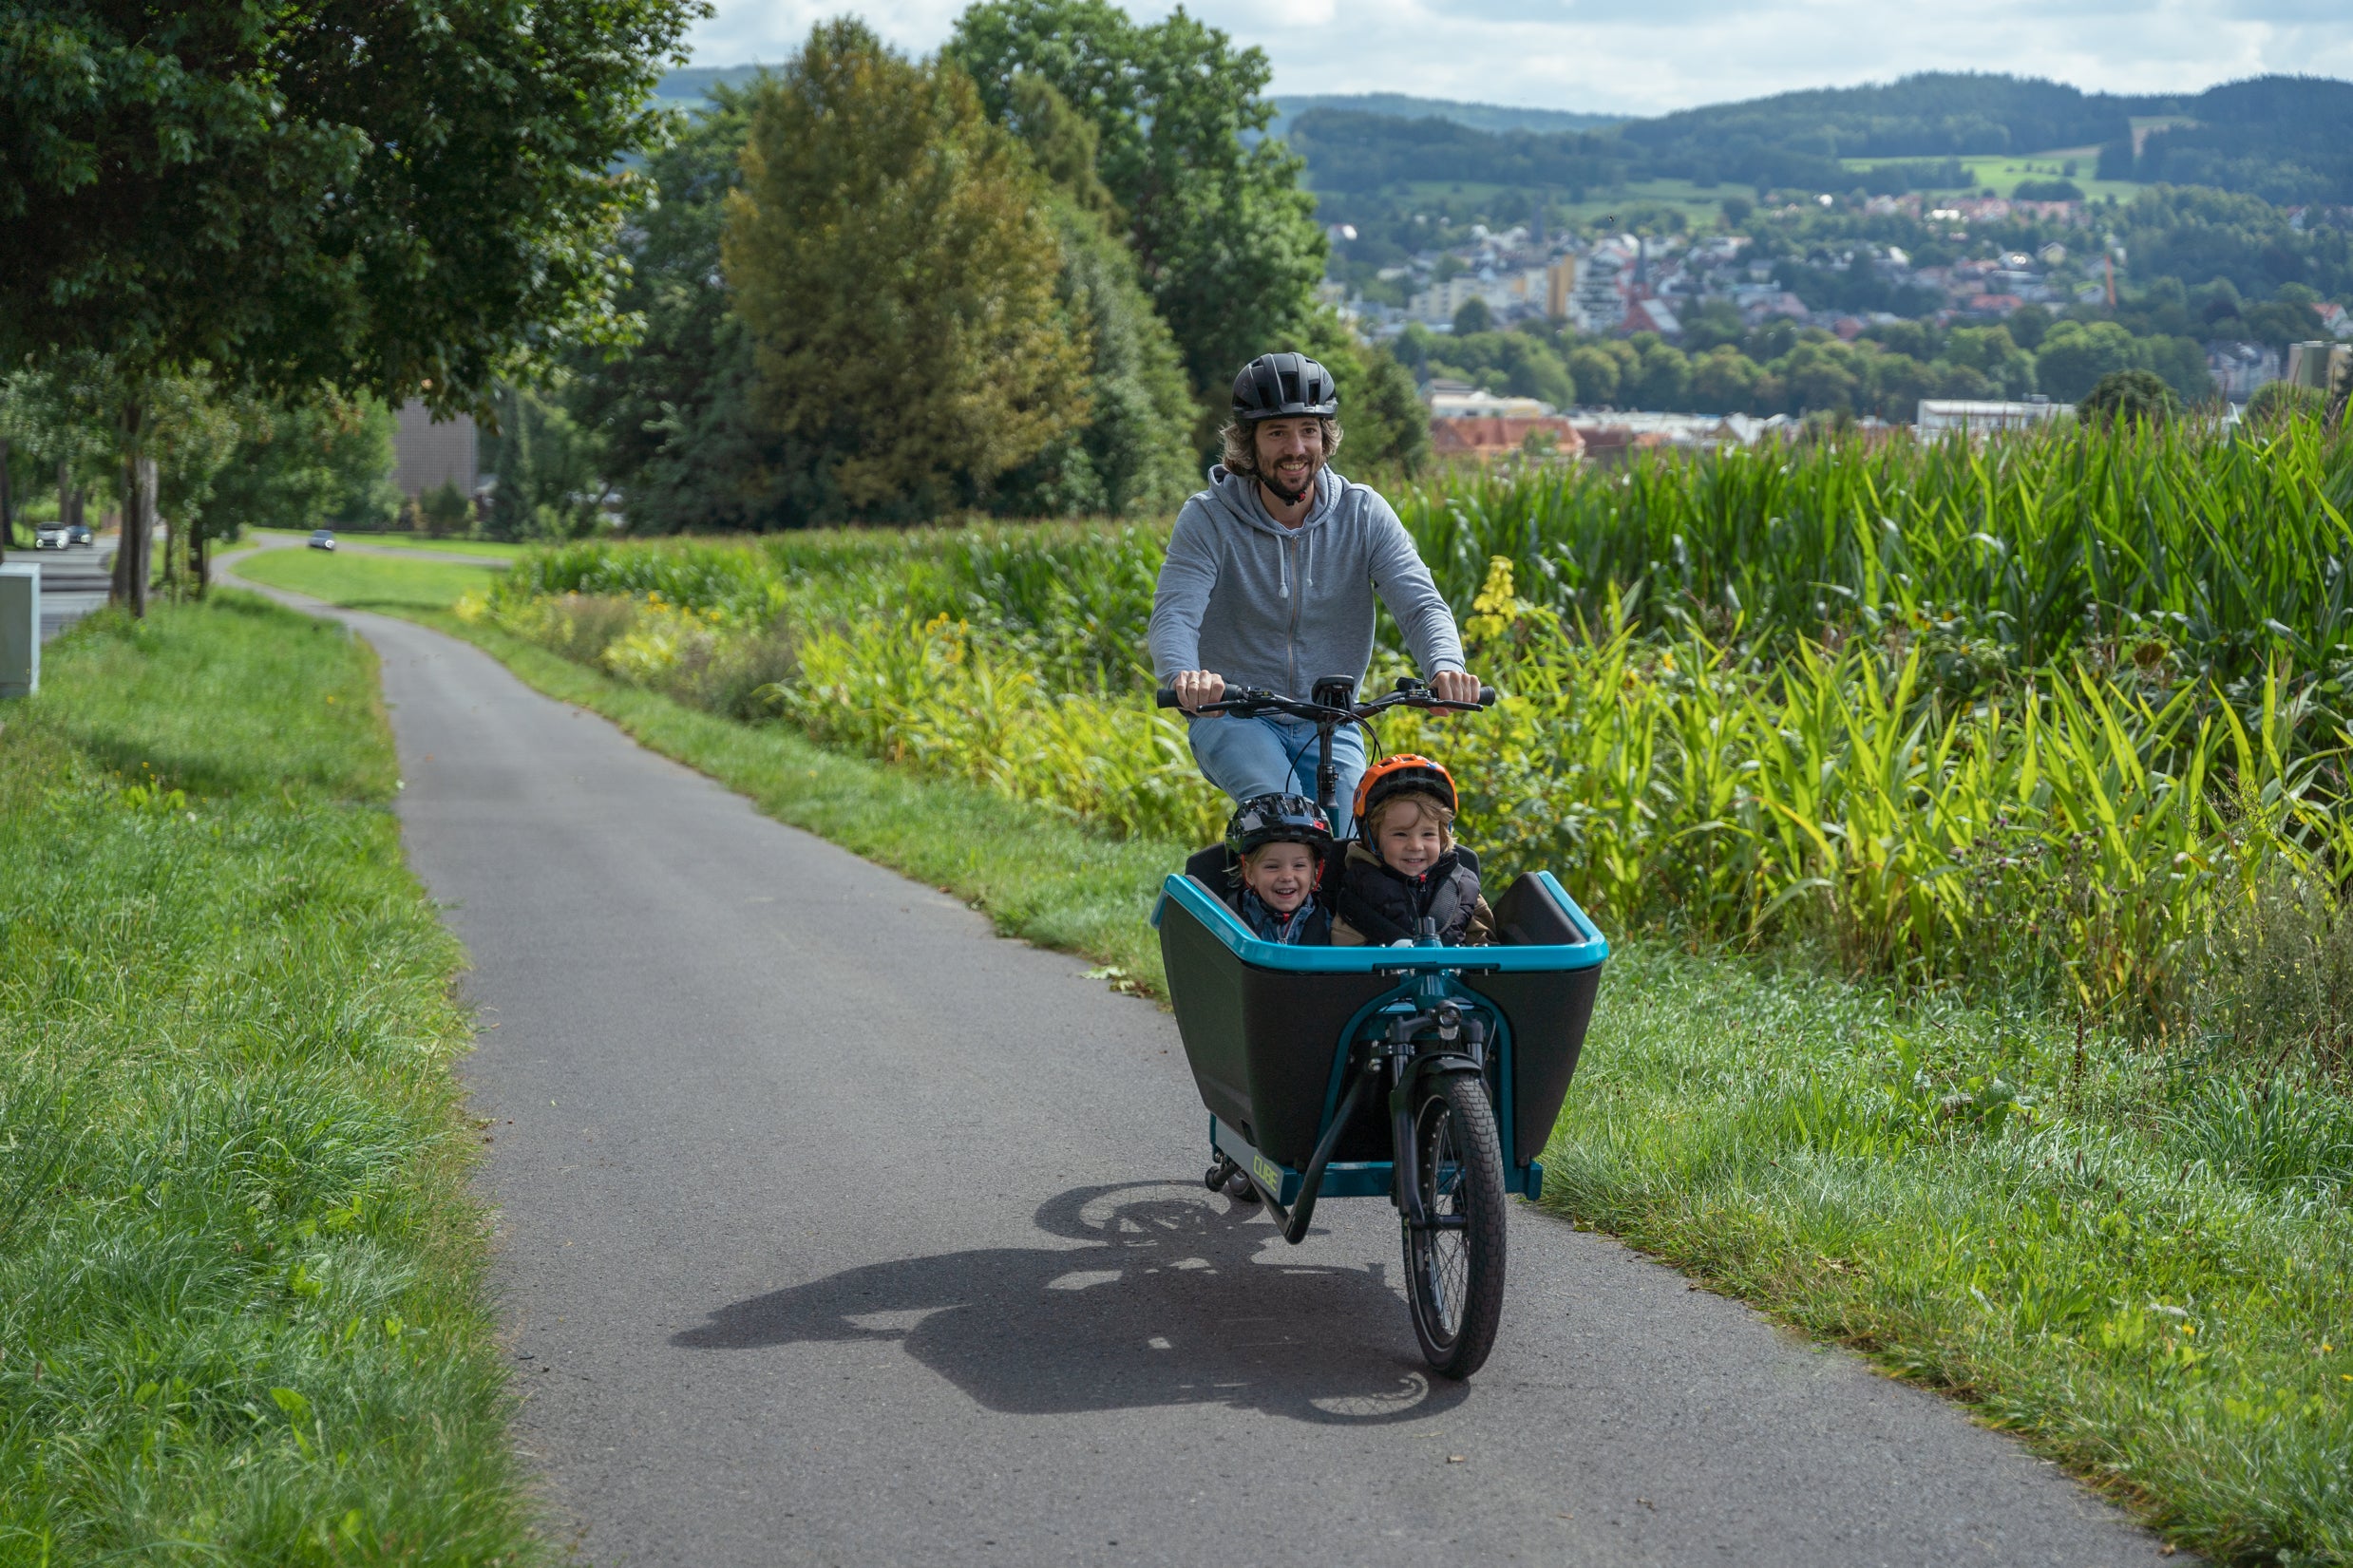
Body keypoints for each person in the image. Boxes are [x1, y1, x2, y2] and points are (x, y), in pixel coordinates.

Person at [1149, 351, 1479, 834]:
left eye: (1308, 429)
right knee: (1284, 815)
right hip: (1235, 714)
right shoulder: (1208, 519)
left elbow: (1420, 603)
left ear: (1325, 437)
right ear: (1249, 443)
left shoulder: (1362, 513)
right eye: (1277, 432)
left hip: (1331, 720)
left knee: (1355, 836)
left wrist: (1446, 666)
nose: (1296, 447)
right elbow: (1175, 614)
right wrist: (1185, 678)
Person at [1330, 756, 1492, 947]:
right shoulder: (1359, 890)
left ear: (1443, 836)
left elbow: (1489, 951)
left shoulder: (1464, 889)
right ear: (1373, 840)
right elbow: (1344, 962)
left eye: (1428, 834)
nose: (1415, 846)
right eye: (1400, 834)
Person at [1214, 792, 1333, 945]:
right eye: (1272, 866)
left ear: (1314, 873)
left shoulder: (1327, 924)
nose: (1287, 876)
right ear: (1249, 873)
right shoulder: (1229, 921)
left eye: (1299, 866)